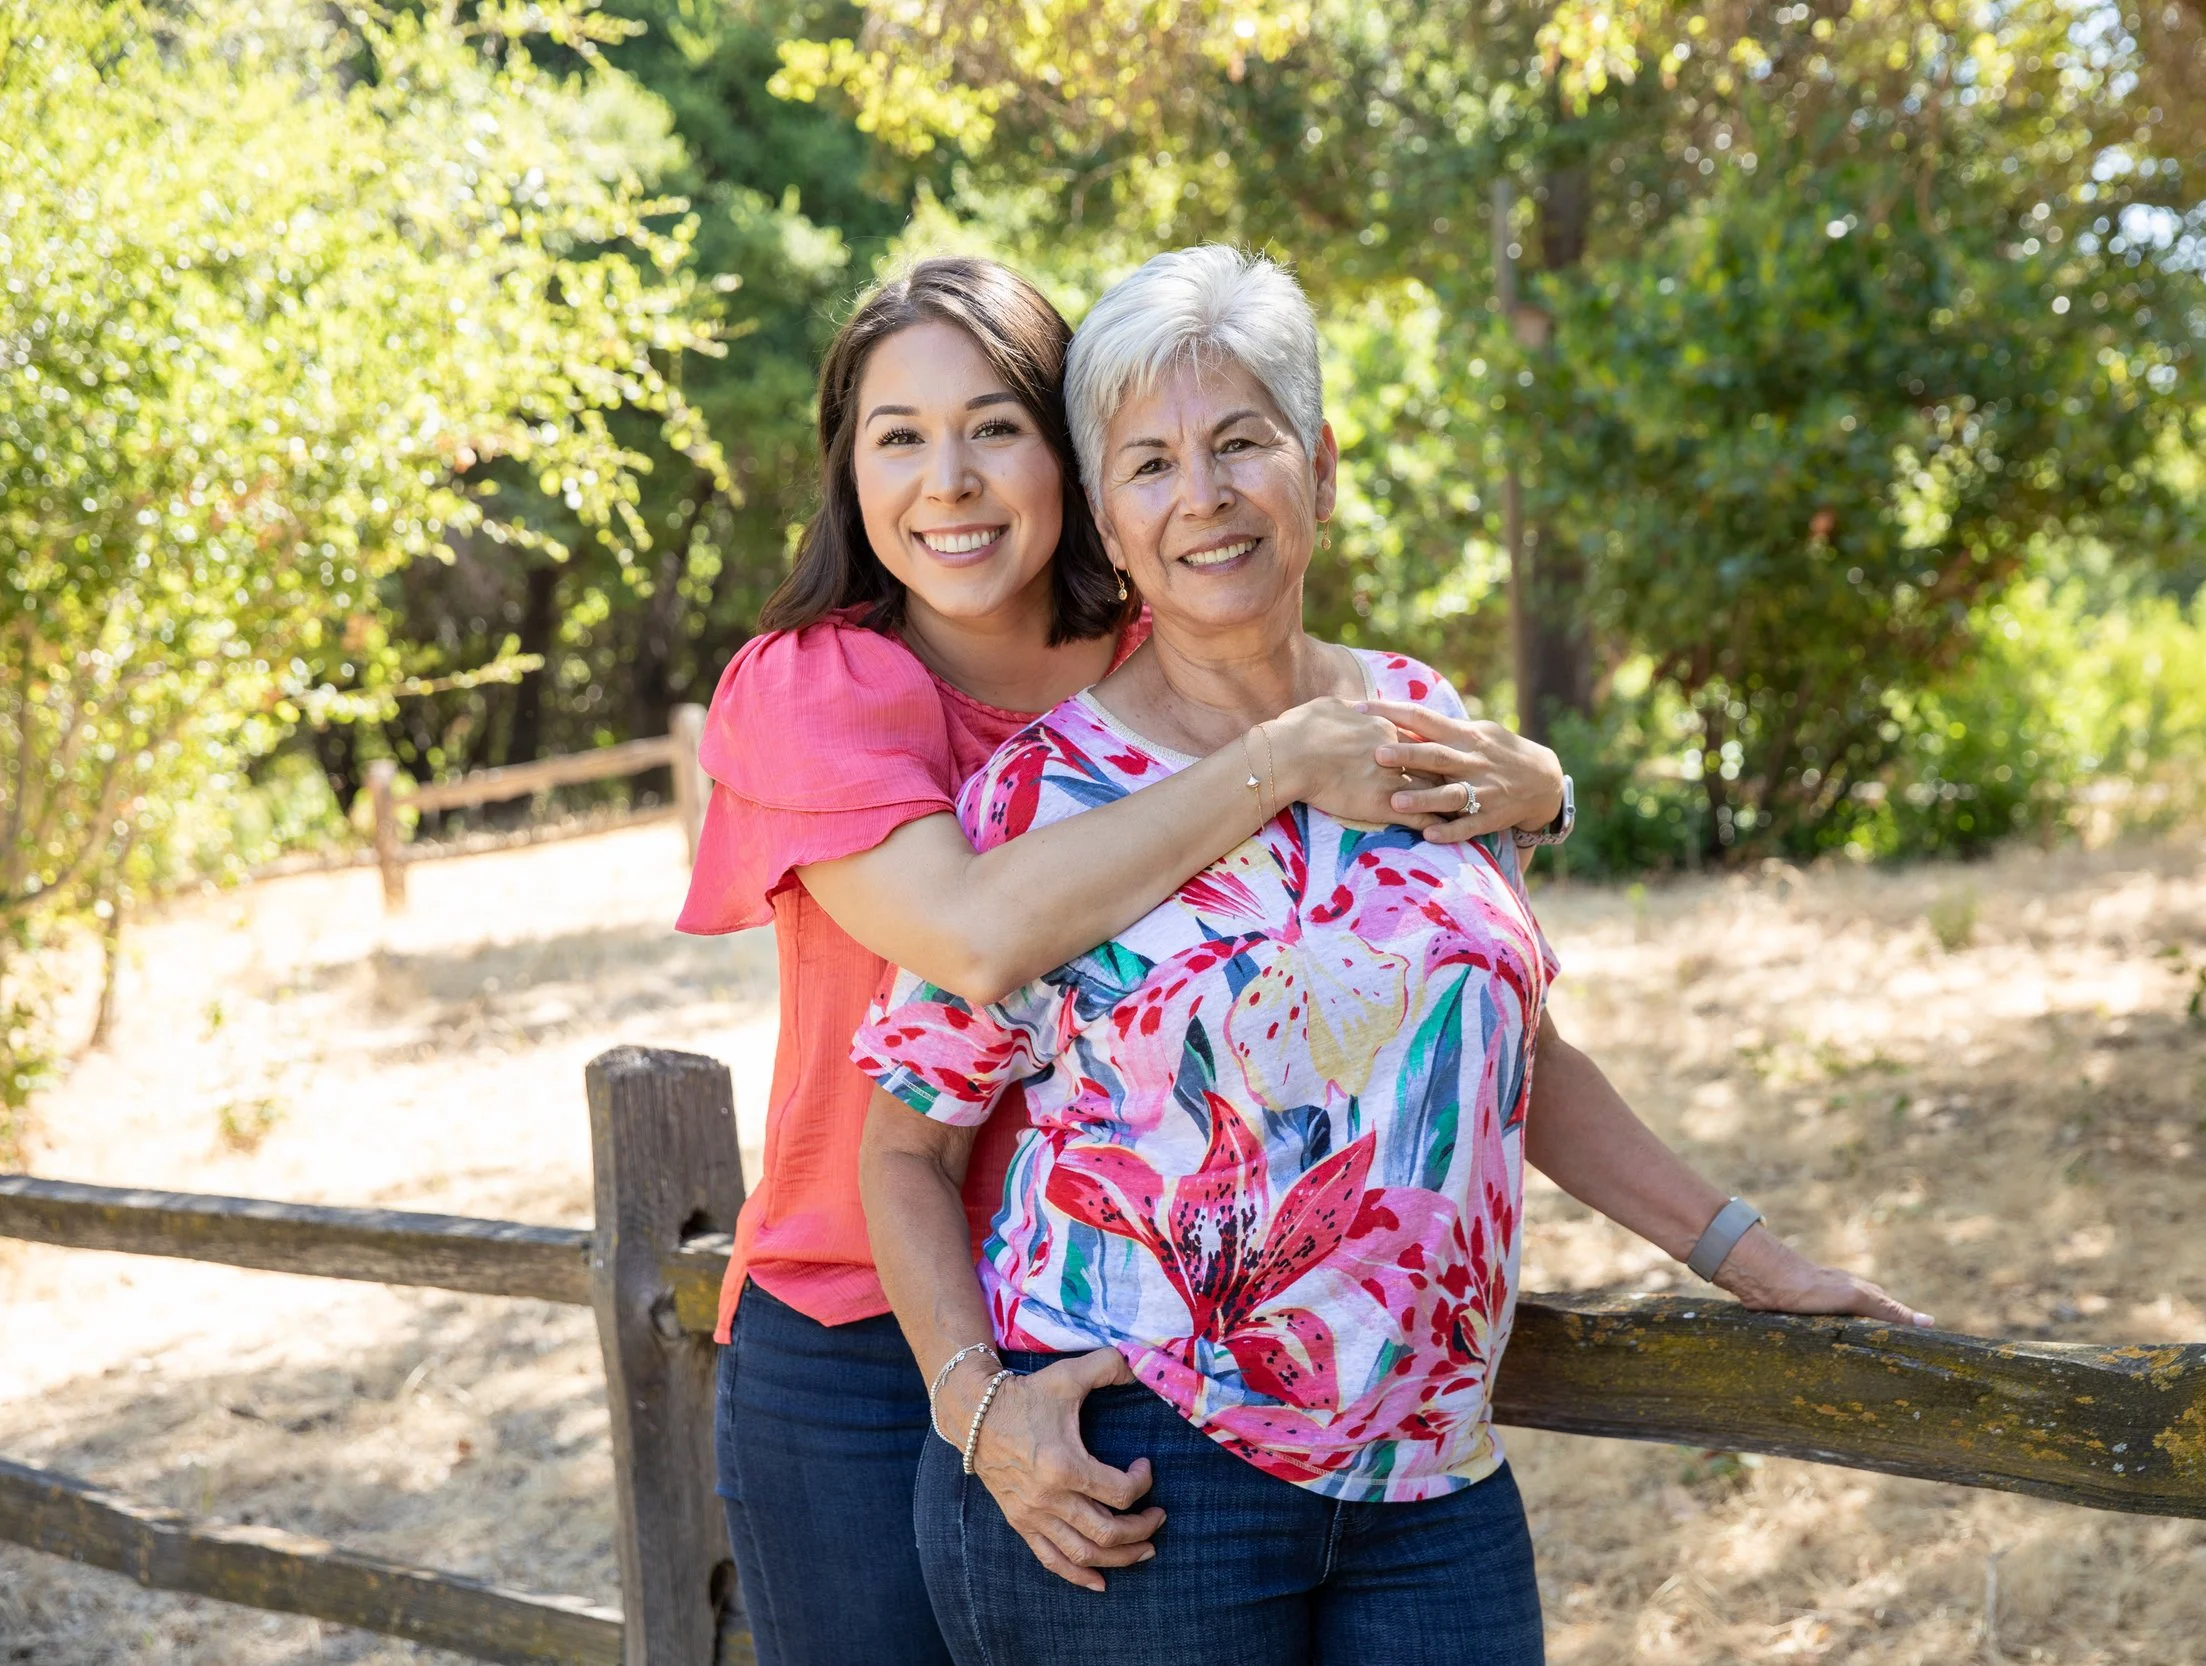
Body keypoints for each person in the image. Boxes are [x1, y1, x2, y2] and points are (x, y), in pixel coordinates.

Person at [855, 246, 1929, 1666]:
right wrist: (975, 1406)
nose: (1207, 496)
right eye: (1153, 463)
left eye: (1244, 442)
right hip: (1140, 1479)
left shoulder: (1429, 725)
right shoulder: (1049, 799)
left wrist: (1755, 1257)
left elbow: (1507, 1061)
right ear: (1108, 524)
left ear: (1322, 465)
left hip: (1435, 1480)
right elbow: (904, 1151)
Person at [675, 256, 1574, 1666]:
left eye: (994, 427)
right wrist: (1280, 761)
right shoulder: (819, 686)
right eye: (897, 438)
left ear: (1068, 461)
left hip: (1112, 1331)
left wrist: (1538, 782)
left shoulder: (1167, 643)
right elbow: (978, 935)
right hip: (861, 1318)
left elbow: (1370, 819)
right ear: (847, 475)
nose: (951, 479)